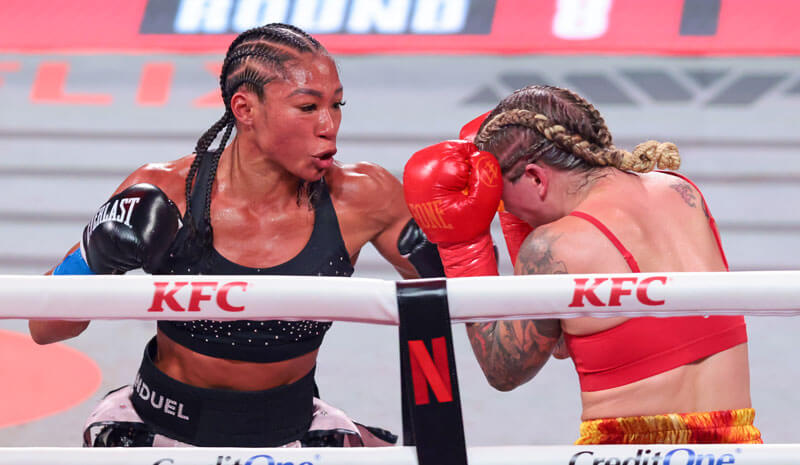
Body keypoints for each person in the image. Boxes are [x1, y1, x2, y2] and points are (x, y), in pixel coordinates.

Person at [29, 23, 435, 448]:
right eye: (307, 107)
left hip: (293, 431)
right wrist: (94, 258)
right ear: (245, 109)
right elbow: (45, 327)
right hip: (160, 430)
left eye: (337, 105)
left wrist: (464, 240)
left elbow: (459, 302)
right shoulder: (169, 192)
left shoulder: (362, 197)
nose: (329, 125)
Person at [403, 84, 762, 444]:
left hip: (631, 452)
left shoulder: (553, 247)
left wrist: (463, 247)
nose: (505, 210)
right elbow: (561, 340)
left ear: (535, 177)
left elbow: (504, 370)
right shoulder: (682, 192)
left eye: (501, 197)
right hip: (738, 450)